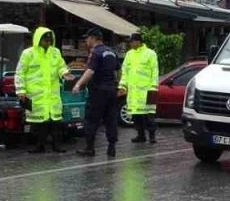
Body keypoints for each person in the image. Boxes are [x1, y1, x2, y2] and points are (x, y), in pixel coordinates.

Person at [16, 26, 73, 153]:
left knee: (55, 122)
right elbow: (20, 73)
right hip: (36, 95)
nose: (48, 43)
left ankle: (56, 146)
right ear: (38, 40)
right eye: (45, 40)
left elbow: (61, 66)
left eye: (50, 40)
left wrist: (64, 73)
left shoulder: (55, 52)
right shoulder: (28, 53)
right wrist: (21, 90)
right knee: (39, 124)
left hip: (52, 94)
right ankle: (39, 146)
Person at [73, 27, 121, 157]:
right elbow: (117, 71)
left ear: (93, 38)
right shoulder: (112, 52)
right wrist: (115, 84)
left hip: (98, 91)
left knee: (91, 119)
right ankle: (111, 147)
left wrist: (78, 84)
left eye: (87, 38)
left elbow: (90, 71)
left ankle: (89, 148)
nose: (86, 41)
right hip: (111, 91)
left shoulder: (96, 53)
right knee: (111, 119)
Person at [120, 32, 159, 144]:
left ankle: (152, 136)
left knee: (149, 115)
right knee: (136, 115)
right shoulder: (129, 54)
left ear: (138, 41)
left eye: (132, 41)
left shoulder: (150, 54)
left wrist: (154, 86)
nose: (131, 44)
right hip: (134, 91)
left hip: (148, 90)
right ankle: (140, 135)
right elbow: (125, 71)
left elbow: (155, 71)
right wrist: (122, 85)